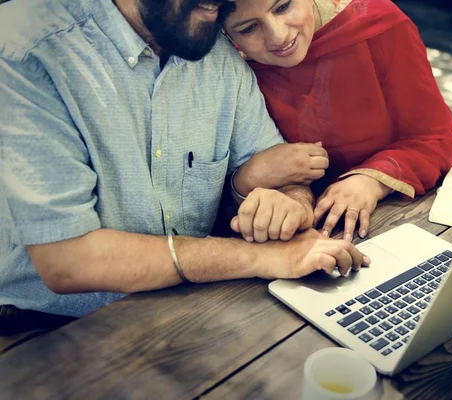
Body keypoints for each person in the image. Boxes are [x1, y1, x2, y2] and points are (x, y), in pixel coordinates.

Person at [0, 0, 370, 333]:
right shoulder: (23, 48)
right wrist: (263, 256)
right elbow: (67, 261)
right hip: (45, 327)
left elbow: (278, 167)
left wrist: (292, 204)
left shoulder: (210, 42)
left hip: (192, 304)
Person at [220, 0, 452, 242]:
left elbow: (435, 138)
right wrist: (248, 178)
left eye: (283, 7)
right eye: (248, 28)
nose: (279, 36)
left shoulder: (379, 25)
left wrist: (370, 181)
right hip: (289, 239)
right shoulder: (227, 69)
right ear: (224, 33)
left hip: (394, 219)